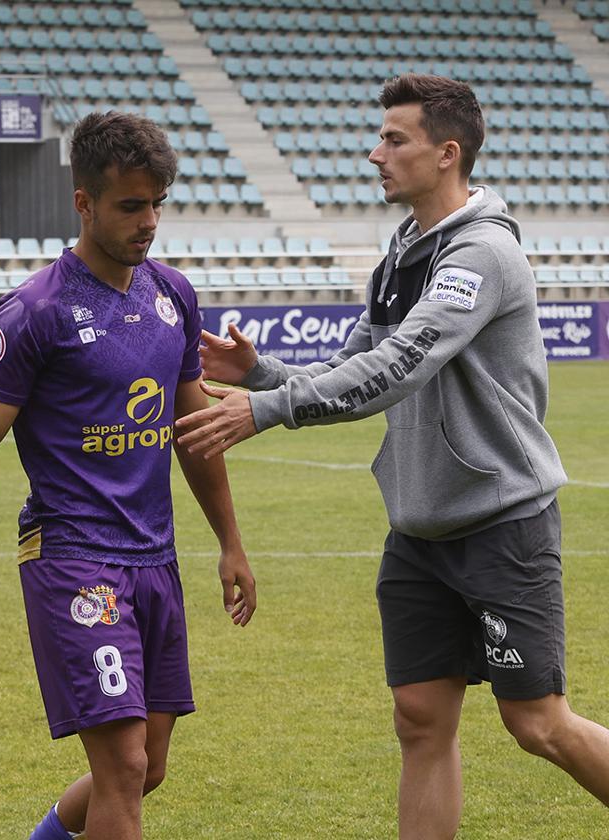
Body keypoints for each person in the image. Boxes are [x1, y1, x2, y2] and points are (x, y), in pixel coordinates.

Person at [176, 73, 609, 835]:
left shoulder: (481, 255)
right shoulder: (403, 253)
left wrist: (270, 410)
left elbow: (402, 363)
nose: (374, 152)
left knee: (538, 724)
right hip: (418, 531)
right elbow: (357, 359)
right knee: (418, 718)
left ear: (446, 154)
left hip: (501, 522)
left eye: (393, 139)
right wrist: (264, 374)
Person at [0, 112, 255, 840]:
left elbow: (195, 433)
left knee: (150, 765)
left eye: (157, 205)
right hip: (75, 562)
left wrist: (230, 543)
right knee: (123, 771)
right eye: (130, 206)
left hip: (156, 560)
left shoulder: (172, 295)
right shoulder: (34, 312)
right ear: (84, 203)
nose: (148, 222)